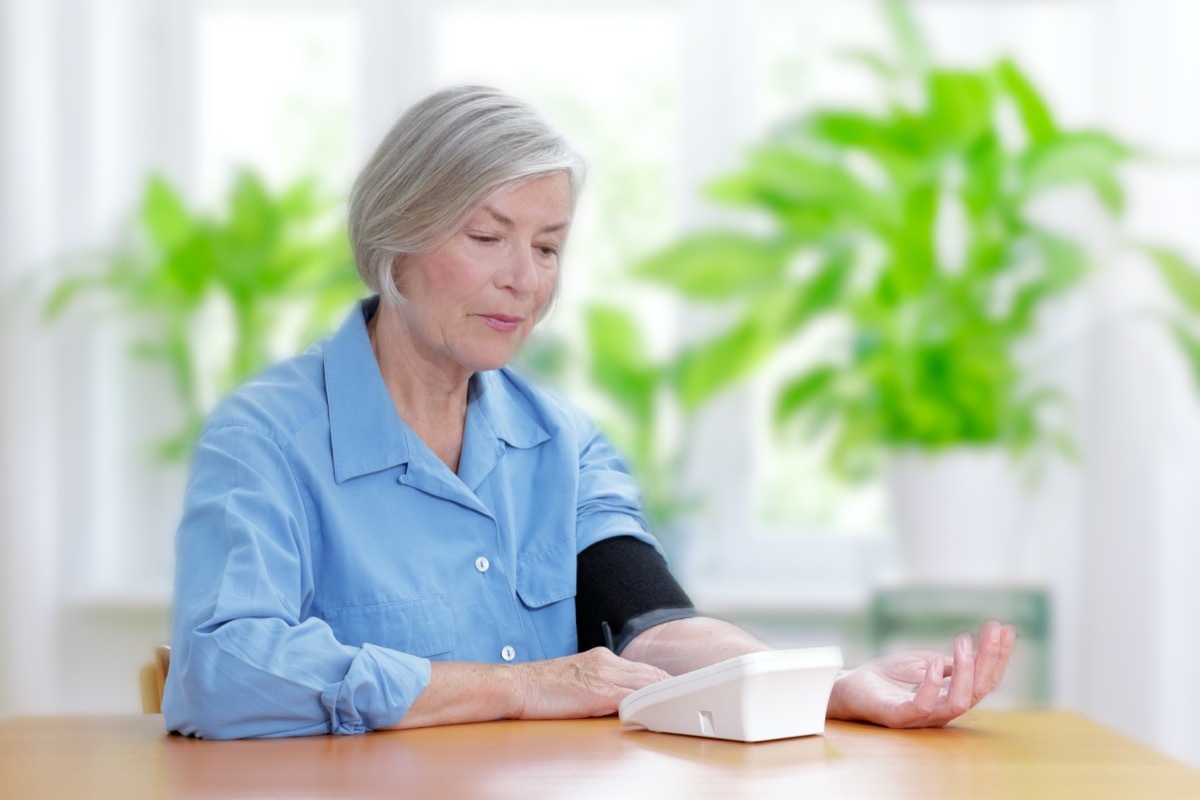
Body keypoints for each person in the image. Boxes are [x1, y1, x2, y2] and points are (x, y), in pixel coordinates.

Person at [162, 86, 1016, 739]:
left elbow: (651, 628)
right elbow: (220, 672)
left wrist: (826, 685)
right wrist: (516, 686)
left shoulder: (561, 442)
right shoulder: (266, 438)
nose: (524, 280)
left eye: (547, 247)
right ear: (394, 238)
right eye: (488, 237)